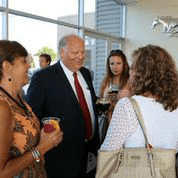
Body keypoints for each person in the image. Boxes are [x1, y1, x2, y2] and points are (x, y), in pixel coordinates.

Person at [96, 44, 178, 176]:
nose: (129, 72)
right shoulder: (175, 105)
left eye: (133, 68)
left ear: (142, 74)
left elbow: (108, 151)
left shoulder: (128, 106)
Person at [25, 34, 100, 178]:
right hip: (61, 159)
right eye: (75, 53)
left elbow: (86, 103)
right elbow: (32, 118)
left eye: (83, 52)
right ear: (62, 53)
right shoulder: (43, 78)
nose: (81, 56)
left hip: (89, 152)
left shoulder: (85, 73)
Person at [0, 40, 63, 178]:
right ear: (7, 67)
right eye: (24, 61)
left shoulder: (19, 97)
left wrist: (45, 139)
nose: (29, 65)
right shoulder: (2, 107)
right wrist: (42, 148)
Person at [99, 49, 130, 123]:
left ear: (124, 64)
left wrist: (118, 99)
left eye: (118, 63)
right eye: (112, 64)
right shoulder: (106, 81)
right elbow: (99, 105)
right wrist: (105, 100)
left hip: (124, 121)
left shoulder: (130, 81)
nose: (115, 67)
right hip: (108, 121)